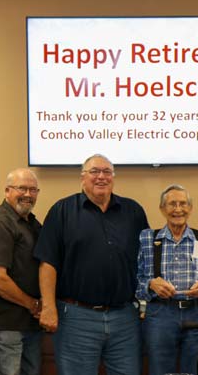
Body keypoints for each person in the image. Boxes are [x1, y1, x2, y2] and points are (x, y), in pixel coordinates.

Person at [34, 154, 149, 375]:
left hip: (125, 317)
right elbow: (48, 262)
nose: (101, 177)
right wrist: (48, 307)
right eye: (94, 171)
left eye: (107, 172)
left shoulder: (133, 211)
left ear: (113, 178)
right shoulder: (62, 211)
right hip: (77, 318)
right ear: (82, 178)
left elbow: (146, 261)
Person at [136, 184, 198, 375]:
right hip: (160, 315)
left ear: (190, 208)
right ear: (162, 209)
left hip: (197, 313)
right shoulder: (148, 238)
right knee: (160, 371)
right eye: (172, 204)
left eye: (183, 204)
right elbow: (135, 281)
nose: (178, 209)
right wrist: (150, 284)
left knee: (197, 370)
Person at [0, 168, 43, 375]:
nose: (28, 194)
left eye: (33, 190)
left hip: (28, 322)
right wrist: (32, 304)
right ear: (7, 191)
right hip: (5, 323)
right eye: (22, 188)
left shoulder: (30, 222)